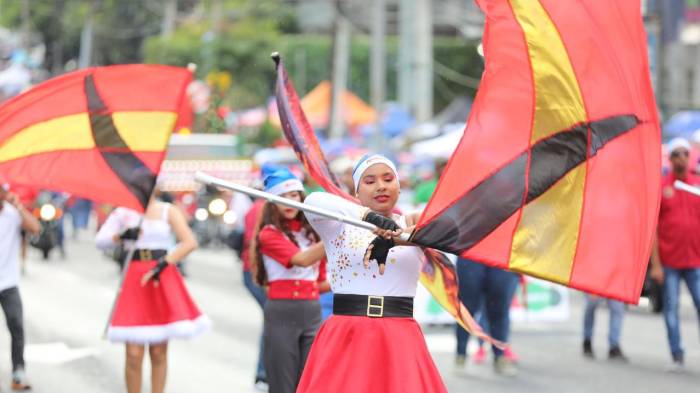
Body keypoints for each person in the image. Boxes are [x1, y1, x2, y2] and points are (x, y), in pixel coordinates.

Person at [297, 154, 447, 393]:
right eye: (369, 181)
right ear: (356, 191)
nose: (381, 186)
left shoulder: (412, 222)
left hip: (398, 336)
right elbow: (313, 200)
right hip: (347, 334)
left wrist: (399, 238)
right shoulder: (339, 225)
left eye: (388, 179)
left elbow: (453, 230)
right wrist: (368, 217)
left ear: (399, 185)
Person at [96, 195, 210, 393]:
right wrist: (122, 236)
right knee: (133, 353)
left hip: (160, 277)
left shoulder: (168, 210)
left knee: (158, 351)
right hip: (135, 279)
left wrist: (165, 263)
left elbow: (189, 242)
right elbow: (101, 241)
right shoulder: (123, 212)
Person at [250, 167, 329, 393]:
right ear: (271, 202)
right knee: (283, 385)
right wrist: (338, 236)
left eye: (294, 195)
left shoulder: (312, 234)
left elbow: (320, 282)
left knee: (309, 382)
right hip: (282, 312)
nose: (289, 202)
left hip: (311, 312)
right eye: (282, 197)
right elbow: (302, 260)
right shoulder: (269, 233)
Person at [650, 137, 700, 372]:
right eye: (677, 154)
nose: (682, 157)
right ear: (670, 159)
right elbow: (654, 231)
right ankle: (676, 354)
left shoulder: (696, 185)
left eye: (685, 153)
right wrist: (656, 265)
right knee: (671, 309)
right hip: (669, 262)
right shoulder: (661, 186)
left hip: (695, 261)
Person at [0, 182, 40, 390]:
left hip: (8, 282)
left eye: (3, 191)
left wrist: (20, 207)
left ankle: (18, 372)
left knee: (16, 326)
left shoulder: (12, 213)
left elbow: (35, 228)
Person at [454, 258, 519, 376]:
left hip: (502, 254)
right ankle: (460, 355)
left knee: (500, 310)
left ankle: (500, 357)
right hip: (471, 251)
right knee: (466, 310)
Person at [242, 196, 267, 390]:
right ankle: (263, 374)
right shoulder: (262, 207)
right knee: (274, 318)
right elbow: (255, 242)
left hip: (258, 272)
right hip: (259, 273)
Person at [582, 295, 628, 361]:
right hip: (596, 285)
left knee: (617, 309)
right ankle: (587, 341)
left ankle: (614, 346)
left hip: (615, 285)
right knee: (591, 305)